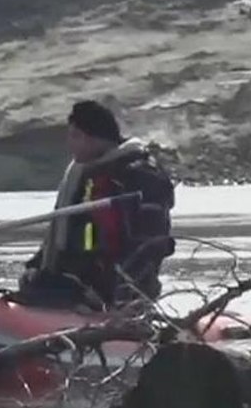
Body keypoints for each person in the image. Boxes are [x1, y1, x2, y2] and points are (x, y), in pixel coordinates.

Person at [13, 100, 176, 310]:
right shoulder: (83, 175)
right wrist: (36, 265)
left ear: (97, 139)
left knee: (43, 288)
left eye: (76, 136)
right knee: (34, 282)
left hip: (111, 287)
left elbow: (148, 245)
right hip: (77, 280)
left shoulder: (140, 176)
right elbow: (63, 232)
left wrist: (123, 293)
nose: (70, 144)